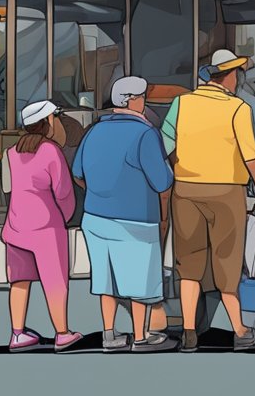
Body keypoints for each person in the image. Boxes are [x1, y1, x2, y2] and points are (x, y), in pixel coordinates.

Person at [161, 53, 255, 352]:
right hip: (227, 191)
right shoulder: (237, 107)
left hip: (186, 189)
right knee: (228, 260)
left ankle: (188, 331)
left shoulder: (182, 103)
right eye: (238, 73)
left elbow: (165, 144)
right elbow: (251, 154)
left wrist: (181, 170)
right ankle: (239, 329)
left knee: (189, 262)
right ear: (230, 76)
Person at [72, 76, 177, 353]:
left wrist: (101, 192)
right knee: (139, 279)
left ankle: (109, 334)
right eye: (142, 96)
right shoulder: (145, 134)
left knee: (106, 280)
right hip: (135, 218)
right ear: (131, 100)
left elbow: (78, 173)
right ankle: (141, 337)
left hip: (95, 217)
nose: (145, 101)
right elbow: (162, 181)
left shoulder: (94, 131)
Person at [2, 100, 82, 352]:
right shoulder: (51, 151)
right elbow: (64, 192)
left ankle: (17, 333)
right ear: (48, 122)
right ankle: (62, 333)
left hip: (15, 225)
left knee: (19, 280)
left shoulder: (13, 153)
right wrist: (65, 218)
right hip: (46, 228)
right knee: (55, 280)